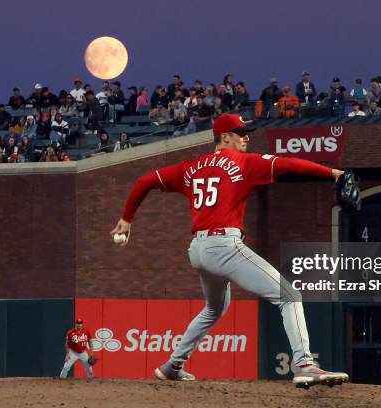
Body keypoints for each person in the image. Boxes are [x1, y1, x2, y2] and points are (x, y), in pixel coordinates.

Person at [110, 113, 349, 386]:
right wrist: (333, 173)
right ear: (225, 137)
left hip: (198, 250)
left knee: (214, 308)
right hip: (224, 246)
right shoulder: (243, 162)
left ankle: (171, 366)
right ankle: (305, 364)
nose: (246, 137)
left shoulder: (191, 167)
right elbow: (289, 164)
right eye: (240, 133)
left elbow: (144, 181)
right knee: (290, 295)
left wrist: (127, 219)